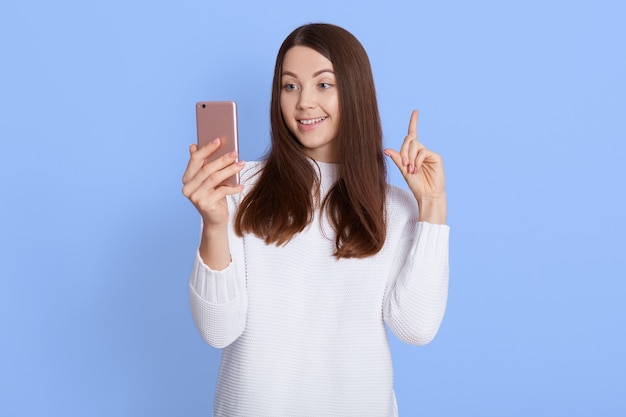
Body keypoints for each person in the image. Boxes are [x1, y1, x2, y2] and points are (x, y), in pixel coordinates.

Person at [182, 23, 449, 417]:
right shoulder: (239, 189)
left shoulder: (395, 207)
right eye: (290, 86)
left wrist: (432, 207)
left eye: (323, 84)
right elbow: (218, 330)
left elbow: (416, 328)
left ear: (355, 92)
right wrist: (214, 225)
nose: (304, 102)